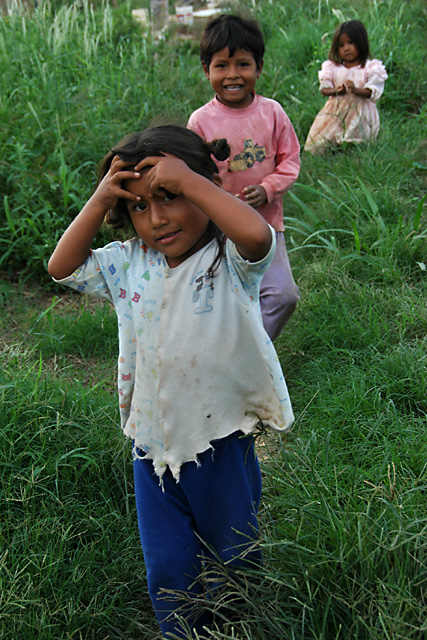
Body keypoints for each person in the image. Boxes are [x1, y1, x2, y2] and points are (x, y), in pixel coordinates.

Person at [48, 125, 294, 638]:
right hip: (150, 447)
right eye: (139, 207)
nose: (157, 218)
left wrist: (192, 181)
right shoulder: (129, 263)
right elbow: (61, 267)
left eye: (170, 197)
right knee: (168, 566)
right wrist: (99, 200)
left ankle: (243, 625)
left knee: (236, 556)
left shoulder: (227, 259)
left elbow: (258, 237)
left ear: (203, 186)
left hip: (221, 442)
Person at [188, 14, 301, 341]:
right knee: (223, 300)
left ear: (259, 67)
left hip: (267, 226)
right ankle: (223, 357)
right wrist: (212, 194)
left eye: (243, 64)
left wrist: (268, 189)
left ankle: (250, 352)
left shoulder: (273, 113)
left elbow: (290, 160)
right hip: (218, 231)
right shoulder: (200, 122)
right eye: (222, 65)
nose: (233, 74)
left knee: (282, 296)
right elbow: (191, 175)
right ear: (206, 69)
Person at [304, 20, 388, 154]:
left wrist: (355, 90)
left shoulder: (370, 68)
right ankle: (333, 152)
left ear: (360, 42)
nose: (346, 48)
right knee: (326, 136)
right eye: (341, 45)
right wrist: (336, 90)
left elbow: (372, 92)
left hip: (360, 111)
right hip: (337, 111)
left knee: (356, 138)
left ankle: (353, 152)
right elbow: (324, 89)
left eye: (350, 43)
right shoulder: (333, 68)